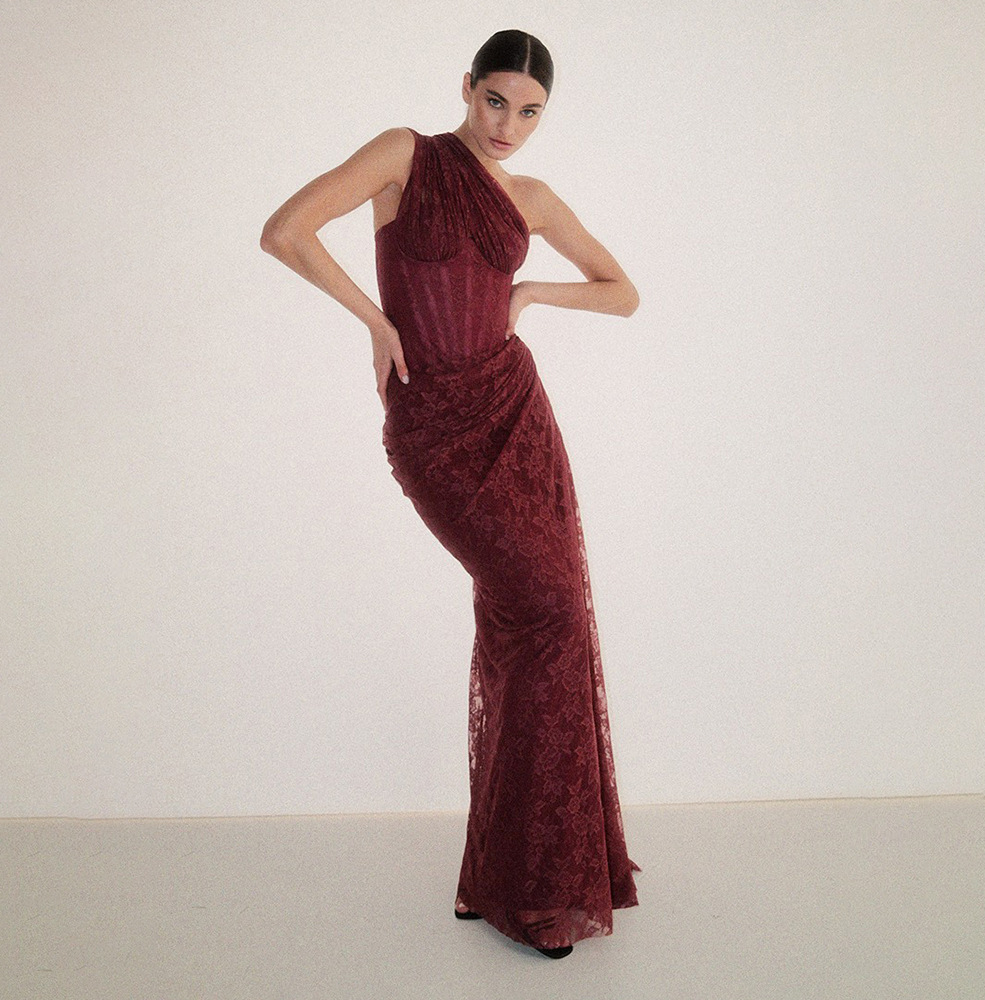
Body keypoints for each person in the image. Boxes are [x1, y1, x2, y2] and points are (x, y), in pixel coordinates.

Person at [260, 29, 640, 959]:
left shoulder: (532, 199)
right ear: (467, 86)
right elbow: (284, 230)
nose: (509, 125)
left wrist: (533, 293)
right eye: (496, 100)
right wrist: (375, 321)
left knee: (537, 618)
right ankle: (523, 876)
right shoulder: (407, 156)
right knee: (544, 612)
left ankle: (512, 876)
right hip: (432, 423)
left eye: (531, 112)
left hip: (516, 414)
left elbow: (623, 291)